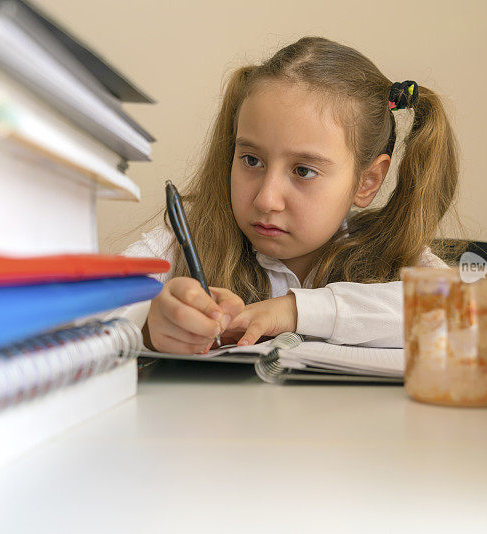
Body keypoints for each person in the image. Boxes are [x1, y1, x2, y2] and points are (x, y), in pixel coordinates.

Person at [122, 36, 460, 354]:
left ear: (367, 182)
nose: (266, 200)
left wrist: (296, 310)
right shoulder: (183, 241)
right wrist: (147, 329)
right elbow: (88, 319)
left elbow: (457, 310)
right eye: (251, 160)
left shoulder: (393, 254)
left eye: (304, 171)